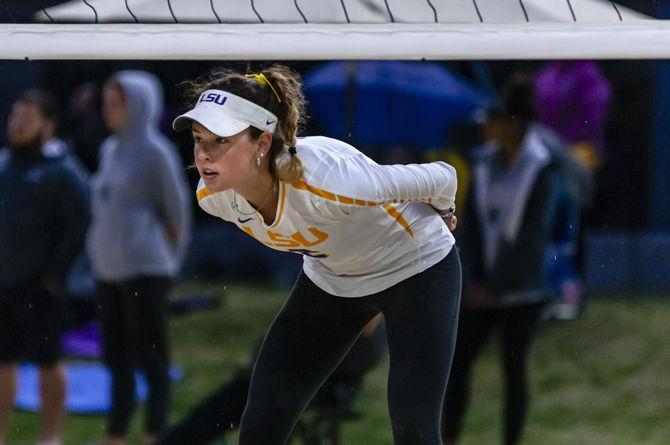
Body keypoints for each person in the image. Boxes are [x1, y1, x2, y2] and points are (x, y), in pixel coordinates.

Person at [171, 64, 461, 445]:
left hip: (417, 267)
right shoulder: (215, 198)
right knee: (261, 421)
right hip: (334, 281)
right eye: (198, 138)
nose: (203, 154)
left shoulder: (327, 181)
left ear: (262, 143)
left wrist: (444, 209)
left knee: (415, 430)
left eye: (220, 140)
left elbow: (443, 175)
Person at [443, 74, 560, 445]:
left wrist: (495, 287)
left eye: (494, 119)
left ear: (515, 124)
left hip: (522, 288)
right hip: (482, 287)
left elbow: (531, 238)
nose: (486, 126)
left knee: (513, 369)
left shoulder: (540, 167)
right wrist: (473, 280)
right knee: (457, 363)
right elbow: (473, 227)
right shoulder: (485, 163)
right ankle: (445, 437)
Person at [87, 70, 192, 445]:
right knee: (115, 359)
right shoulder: (109, 149)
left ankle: (155, 433)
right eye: (107, 104)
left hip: (145, 270)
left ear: (139, 105)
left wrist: (171, 266)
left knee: (152, 359)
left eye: (118, 104)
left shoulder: (155, 151)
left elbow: (177, 214)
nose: (109, 112)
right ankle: (116, 434)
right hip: (109, 272)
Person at [0, 90, 90, 445]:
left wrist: (56, 275)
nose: (17, 124)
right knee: (2, 361)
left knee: (48, 361)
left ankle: (50, 438)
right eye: (14, 116)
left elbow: (80, 224)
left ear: (47, 126)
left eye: (26, 117)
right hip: (3, 283)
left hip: (41, 287)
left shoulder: (62, 171)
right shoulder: (4, 165)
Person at [158, 316, 386, 445]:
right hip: (290, 380)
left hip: (312, 385)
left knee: (236, 403)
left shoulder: (364, 330)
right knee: (229, 402)